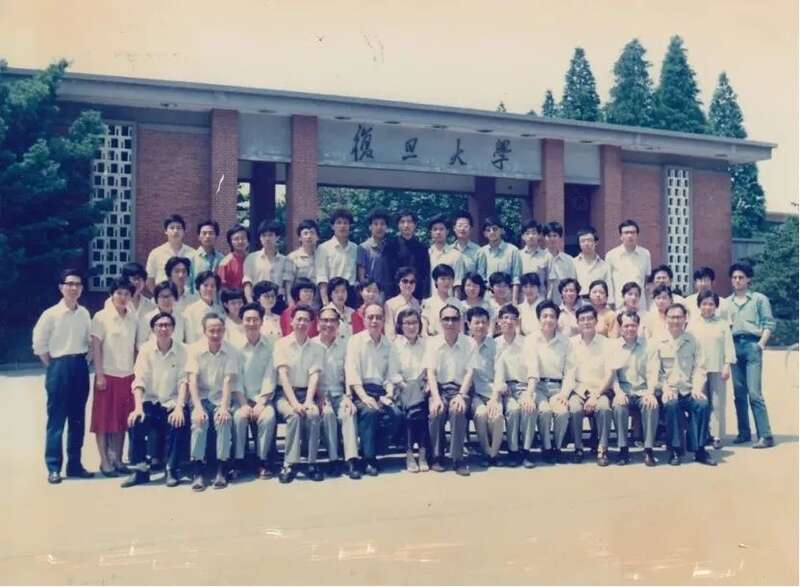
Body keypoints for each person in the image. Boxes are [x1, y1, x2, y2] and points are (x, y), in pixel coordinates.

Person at [32, 269, 94, 483]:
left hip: (79, 367)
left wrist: (83, 362)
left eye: (78, 284)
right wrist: (54, 365)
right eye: (70, 284)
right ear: (61, 287)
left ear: (82, 288)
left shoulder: (84, 313)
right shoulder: (50, 314)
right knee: (56, 420)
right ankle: (53, 467)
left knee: (78, 419)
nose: (74, 288)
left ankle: (75, 465)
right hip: (58, 366)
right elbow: (39, 344)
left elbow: (89, 341)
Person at [122, 312, 189, 488]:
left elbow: (184, 381)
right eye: (160, 325)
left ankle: (171, 469)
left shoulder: (183, 350)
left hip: (172, 402)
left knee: (178, 421)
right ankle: (140, 470)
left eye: (167, 325)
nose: (164, 329)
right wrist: (138, 408)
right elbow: (139, 380)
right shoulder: (145, 350)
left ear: (173, 329)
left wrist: (179, 407)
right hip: (151, 402)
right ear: (153, 329)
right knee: (136, 420)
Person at [646, 303, 715, 466]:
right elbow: (654, 370)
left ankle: (699, 450)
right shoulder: (657, 341)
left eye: (679, 317)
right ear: (666, 319)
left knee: (702, 404)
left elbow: (700, 367)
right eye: (672, 317)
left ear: (685, 319)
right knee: (672, 405)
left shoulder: (693, 340)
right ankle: (675, 450)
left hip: (688, 389)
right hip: (668, 390)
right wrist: (664, 388)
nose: (675, 321)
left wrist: (697, 387)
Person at [345, 302, 403, 476]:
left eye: (378, 317)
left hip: (381, 392)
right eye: (370, 317)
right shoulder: (355, 341)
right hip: (360, 391)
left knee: (396, 415)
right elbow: (352, 372)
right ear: (364, 319)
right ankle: (369, 459)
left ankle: (370, 450)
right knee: (370, 412)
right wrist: (364, 397)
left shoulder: (389, 345)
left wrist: (389, 394)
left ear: (384, 320)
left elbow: (392, 374)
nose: (374, 321)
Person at [186, 312, 241, 490]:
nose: (216, 334)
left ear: (224, 330)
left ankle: (221, 468)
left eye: (219, 330)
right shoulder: (194, 350)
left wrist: (224, 407)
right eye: (212, 331)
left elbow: (228, 380)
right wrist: (197, 408)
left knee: (223, 420)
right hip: (201, 398)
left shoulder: (231, 351)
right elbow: (192, 380)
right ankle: (198, 470)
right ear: (204, 331)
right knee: (199, 422)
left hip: (220, 398)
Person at [90, 277, 138, 477]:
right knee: (102, 421)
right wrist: (99, 374)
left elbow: (135, 348)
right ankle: (104, 461)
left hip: (127, 376)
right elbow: (96, 348)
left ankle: (117, 459)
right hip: (107, 375)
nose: (122, 297)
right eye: (119, 293)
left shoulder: (133, 319)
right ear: (111, 294)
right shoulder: (101, 317)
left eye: (126, 293)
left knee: (122, 421)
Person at [273, 304, 324, 483]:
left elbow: (314, 375)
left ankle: (311, 462)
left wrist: (309, 401)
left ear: (311, 323)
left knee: (313, 414)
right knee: (294, 415)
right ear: (291, 321)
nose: (302, 323)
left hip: (306, 392)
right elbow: (283, 376)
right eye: (299, 319)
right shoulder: (281, 344)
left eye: (306, 320)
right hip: (285, 394)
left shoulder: (317, 348)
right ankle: (289, 463)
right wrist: (294, 403)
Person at [727, 262, 775, 449]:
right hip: (734, 347)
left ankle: (765, 435)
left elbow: (769, 323)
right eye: (734, 277)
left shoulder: (758, 299)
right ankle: (744, 433)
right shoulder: (727, 303)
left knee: (754, 393)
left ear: (748, 279)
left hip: (752, 345)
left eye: (741, 277)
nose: (737, 280)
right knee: (739, 393)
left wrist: (761, 344)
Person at [426, 304, 476, 476]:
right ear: (440, 321)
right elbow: (431, 372)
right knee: (436, 411)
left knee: (457, 410)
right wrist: (436, 398)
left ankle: (457, 458)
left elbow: (470, 372)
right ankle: (437, 456)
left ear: (460, 321)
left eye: (454, 319)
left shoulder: (469, 343)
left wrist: (461, 395)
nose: (450, 323)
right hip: (439, 388)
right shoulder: (432, 343)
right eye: (446, 319)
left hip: (460, 389)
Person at [230, 303, 278, 480]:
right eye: (247, 319)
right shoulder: (235, 347)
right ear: (242, 322)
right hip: (240, 398)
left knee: (268, 417)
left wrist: (261, 402)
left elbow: (270, 376)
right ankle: (239, 461)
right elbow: (235, 377)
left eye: (255, 319)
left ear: (261, 321)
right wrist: (243, 404)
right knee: (239, 417)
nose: (251, 323)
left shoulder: (270, 345)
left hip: (263, 398)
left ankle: (262, 461)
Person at [562, 306, 614, 466]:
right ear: (577, 323)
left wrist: (596, 395)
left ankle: (602, 449)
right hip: (578, 390)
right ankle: (578, 448)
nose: (586, 322)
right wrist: (581, 393)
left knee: (604, 408)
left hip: (600, 390)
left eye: (590, 318)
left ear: (596, 321)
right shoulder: (571, 343)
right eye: (582, 319)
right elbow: (569, 372)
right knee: (574, 409)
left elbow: (610, 374)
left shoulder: (606, 344)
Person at [314, 306, 361, 480]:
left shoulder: (345, 345)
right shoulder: (311, 345)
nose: (328, 324)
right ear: (318, 323)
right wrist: (318, 397)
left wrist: (348, 396)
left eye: (332, 321)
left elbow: (349, 372)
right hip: (318, 395)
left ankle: (351, 460)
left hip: (339, 393)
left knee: (349, 412)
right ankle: (333, 459)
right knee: (327, 414)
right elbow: (309, 376)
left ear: (338, 324)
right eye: (324, 320)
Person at [524, 300, 571, 464]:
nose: (548, 320)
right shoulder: (531, 340)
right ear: (539, 319)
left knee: (562, 412)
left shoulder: (565, 342)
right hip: (538, 387)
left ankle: (557, 447)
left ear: (557, 319)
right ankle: (546, 447)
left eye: (552, 316)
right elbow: (532, 368)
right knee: (544, 411)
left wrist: (564, 394)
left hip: (557, 387)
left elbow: (570, 371)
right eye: (544, 316)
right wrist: (530, 394)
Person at [688, 290, 736, 450]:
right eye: (704, 304)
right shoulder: (692, 324)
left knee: (717, 404)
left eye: (711, 304)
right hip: (698, 370)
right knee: (701, 402)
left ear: (716, 306)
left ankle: (717, 436)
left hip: (718, 367)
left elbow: (729, 346)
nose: (707, 307)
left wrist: (727, 364)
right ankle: (702, 434)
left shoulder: (722, 324)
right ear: (699, 305)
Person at [610, 310, 658, 466]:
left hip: (643, 390)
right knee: (619, 406)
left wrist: (650, 393)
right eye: (626, 326)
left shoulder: (649, 346)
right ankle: (623, 450)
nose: (630, 329)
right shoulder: (614, 347)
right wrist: (618, 392)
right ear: (620, 327)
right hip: (623, 390)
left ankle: (648, 449)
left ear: (638, 326)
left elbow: (652, 373)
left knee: (651, 405)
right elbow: (612, 375)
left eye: (633, 325)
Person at [387, 308, 430, 473]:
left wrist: (425, 387)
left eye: (414, 323)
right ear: (400, 326)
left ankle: (411, 453)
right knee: (416, 405)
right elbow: (394, 374)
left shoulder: (427, 344)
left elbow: (430, 370)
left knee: (415, 407)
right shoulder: (395, 346)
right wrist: (408, 388)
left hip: (425, 388)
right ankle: (421, 453)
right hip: (402, 388)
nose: (411, 327)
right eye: (407, 323)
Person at [493, 304, 536, 467]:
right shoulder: (494, 344)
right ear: (499, 321)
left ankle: (526, 451)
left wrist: (529, 394)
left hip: (524, 386)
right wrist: (501, 386)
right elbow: (493, 371)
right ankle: (513, 450)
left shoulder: (527, 343)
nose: (509, 321)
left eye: (512, 318)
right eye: (505, 318)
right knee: (513, 409)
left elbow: (533, 371)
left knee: (529, 408)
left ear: (517, 322)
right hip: (504, 389)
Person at [466, 306, 502, 467]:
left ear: (488, 325)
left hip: (491, 390)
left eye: (484, 322)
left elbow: (500, 372)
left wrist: (494, 397)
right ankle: (486, 452)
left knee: (497, 415)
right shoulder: (464, 344)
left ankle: (494, 454)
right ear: (469, 324)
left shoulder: (495, 345)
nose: (480, 326)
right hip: (472, 393)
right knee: (481, 414)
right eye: (476, 322)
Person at [384, 209, 431, 300]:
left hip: (417, 295)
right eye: (402, 222)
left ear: (415, 224)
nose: (406, 225)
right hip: (395, 294)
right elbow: (388, 274)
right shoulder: (391, 246)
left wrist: (424, 297)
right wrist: (390, 297)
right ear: (398, 225)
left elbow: (425, 275)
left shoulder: (422, 248)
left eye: (409, 222)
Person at [243, 220, 293, 303]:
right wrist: (250, 301)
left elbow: (287, 285)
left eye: (270, 235)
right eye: (264, 235)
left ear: (277, 237)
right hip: (258, 300)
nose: (267, 239)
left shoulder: (286, 260)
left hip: (278, 301)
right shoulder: (251, 258)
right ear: (260, 238)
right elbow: (247, 282)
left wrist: (289, 302)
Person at [606, 219, 652, 310]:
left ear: (637, 235)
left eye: (633, 232)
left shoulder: (645, 254)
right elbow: (609, 281)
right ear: (621, 236)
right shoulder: (611, 255)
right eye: (626, 233)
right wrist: (611, 302)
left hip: (640, 303)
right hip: (619, 304)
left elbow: (647, 279)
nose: (630, 235)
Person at [316, 209, 358, 306]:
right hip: (331, 292)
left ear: (350, 226)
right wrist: (325, 302)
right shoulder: (323, 248)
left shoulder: (355, 248)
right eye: (338, 223)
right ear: (332, 226)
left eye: (345, 223)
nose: (342, 226)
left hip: (350, 293)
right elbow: (322, 276)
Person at [476, 216, 522, 302]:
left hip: (508, 295)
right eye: (488, 230)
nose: (492, 232)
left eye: (495, 229)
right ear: (484, 234)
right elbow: (481, 277)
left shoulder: (513, 250)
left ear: (502, 230)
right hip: (489, 296)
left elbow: (516, 278)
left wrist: (514, 300)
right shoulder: (482, 252)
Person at [145, 214, 196, 292]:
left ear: (184, 231)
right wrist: (159, 296)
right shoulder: (155, 253)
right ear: (166, 231)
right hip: (163, 297)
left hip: (186, 297)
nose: (175, 231)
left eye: (178, 228)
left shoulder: (193, 254)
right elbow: (150, 281)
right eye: (172, 228)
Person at [138, 281, 186, 348]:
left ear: (175, 298)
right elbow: (140, 344)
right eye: (162, 296)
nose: (166, 300)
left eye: (169, 296)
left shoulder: (182, 318)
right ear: (156, 299)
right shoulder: (147, 318)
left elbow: (186, 343)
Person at [356, 209, 392, 296]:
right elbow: (361, 278)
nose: (379, 227)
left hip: (389, 293)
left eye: (382, 224)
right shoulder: (363, 248)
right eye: (375, 224)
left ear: (387, 227)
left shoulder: (390, 246)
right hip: (371, 293)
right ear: (370, 227)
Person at [427, 214, 465, 296]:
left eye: (441, 229)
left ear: (447, 231)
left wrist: (456, 302)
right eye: (435, 229)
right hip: (430, 300)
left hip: (449, 300)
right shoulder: (427, 254)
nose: (438, 232)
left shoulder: (455, 255)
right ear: (431, 233)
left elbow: (457, 283)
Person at [183, 271, 224, 344]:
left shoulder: (220, 310)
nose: (209, 289)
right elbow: (190, 340)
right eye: (205, 285)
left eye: (213, 286)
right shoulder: (190, 311)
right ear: (199, 288)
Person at [543, 221, 577, 305]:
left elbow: (572, 283)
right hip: (541, 305)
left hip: (562, 304)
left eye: (555, 236)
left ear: (560, 238)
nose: (552, 239)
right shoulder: (539, 258)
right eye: (549, 236)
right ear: (544, 237)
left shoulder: (569, 260)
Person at [421, 264, 461, 336]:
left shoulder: (457, 303)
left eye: (449, 279)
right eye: (443, 279)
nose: (446, 282)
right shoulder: (428, 303)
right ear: (435, 281)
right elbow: (424, 329)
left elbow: (461, 330)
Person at [383, 266, 421, 341]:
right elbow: (389, 330)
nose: (408, 285)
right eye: (405, 281)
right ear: (398, 283)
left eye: (412, 282)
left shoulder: (417, 303)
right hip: (398, 344)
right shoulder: (390, 304)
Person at [287, 219, 319, 299]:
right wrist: (290, 300)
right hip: (300, 301)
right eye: (305, 233)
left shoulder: (322, 256)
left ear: (317, 237)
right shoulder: (292, 257)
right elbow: (289, 282)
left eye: (312, 233)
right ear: (300, 238)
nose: (309, 236)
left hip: (319, 300)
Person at [573, 227, 610, 297]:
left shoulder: (604, 265)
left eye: (589, 240)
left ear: (596, 242)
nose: (586, 243)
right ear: (579, 244)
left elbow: (608, 287)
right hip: (579, 301)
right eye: (583, 241)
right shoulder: (573, 263)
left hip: (598, 301)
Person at [519, 219, 549, 299]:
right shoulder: (518, 256)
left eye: (534, 233)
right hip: (523, 300)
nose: (531, 236)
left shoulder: (546, 255)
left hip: (540, 299)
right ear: (522, 236)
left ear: (539, 235)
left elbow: (548, 282)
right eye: (527, 233)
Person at [191, 220, 224, 289]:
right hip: (197, 295)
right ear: (199, 237)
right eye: (204, 233)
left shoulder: (222, 259)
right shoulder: (191, 258)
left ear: (216, 236)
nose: (207, 236)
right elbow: (187, 284)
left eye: (211, 233)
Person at [217, 223, 249, 291]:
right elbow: (222, 288)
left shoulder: (252, 259)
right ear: (230, 242)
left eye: (243, 238)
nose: (240, 241)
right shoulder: (225, 263)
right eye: (236, 239)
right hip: (233, 297)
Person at [451, 210, 481, 275]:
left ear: (471, 229)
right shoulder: (448, 250)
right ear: (454, 228)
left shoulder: (478, 251)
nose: (462, 229)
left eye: (465, 226)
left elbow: (481, 275)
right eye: (459, 226)